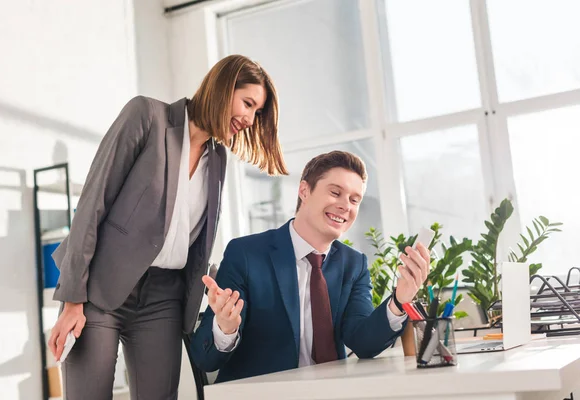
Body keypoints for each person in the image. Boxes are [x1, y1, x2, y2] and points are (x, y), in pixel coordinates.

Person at [47, 54, 287, 399]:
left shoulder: (218, 159)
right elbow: (92, 204)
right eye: (247, 103)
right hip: (101, 289)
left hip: (163, 298)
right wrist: (72, 300)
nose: (249, 119)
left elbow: (191, 240)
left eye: (257, 112)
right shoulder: (147, 115)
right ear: (222, 87)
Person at [190, 151, 430, 383]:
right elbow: (205, 360)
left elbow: (363, 343)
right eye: (336, 192)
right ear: (304, 191)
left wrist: (400, 301)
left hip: (332, 391)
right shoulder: (246, 254)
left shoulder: (354, 264)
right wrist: (226, 328)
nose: (345, 206)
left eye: (354, 200)